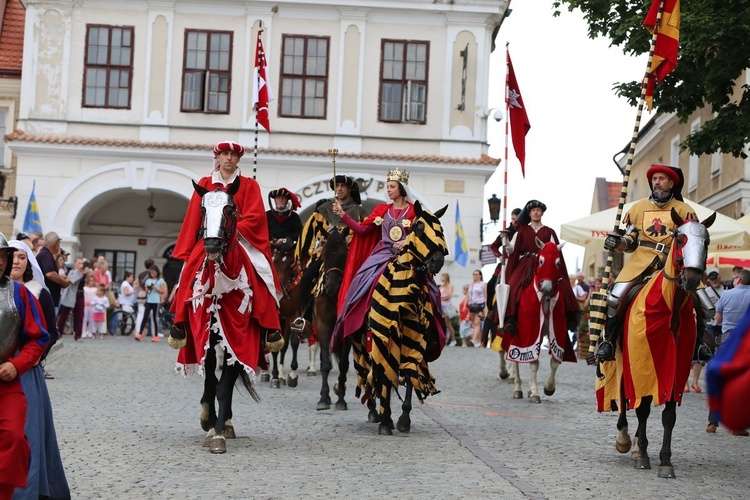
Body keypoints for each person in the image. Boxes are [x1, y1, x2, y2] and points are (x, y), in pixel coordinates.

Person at [169, 140, 283, 372]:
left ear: (239, 159)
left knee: (262, 274)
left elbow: (255, 216)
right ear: (217, 158)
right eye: (224, 154)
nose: (229, 158)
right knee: (188, 273)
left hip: (238, 238)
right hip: (210, 237)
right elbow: (194, 215)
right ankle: (180, 322)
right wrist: (193, 243)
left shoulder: (249, 185)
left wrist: (232, 228)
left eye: (233, 155)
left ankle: (270, 326)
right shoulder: (204, 184)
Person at [597, 165, 712, 361]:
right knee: (615, 297)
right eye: (654, 179)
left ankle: (699, 344)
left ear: (671, 183)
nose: (657, 182)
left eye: (661, 178)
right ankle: (609, 341)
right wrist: (618, 242)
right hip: (641, 262)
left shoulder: (685, 210)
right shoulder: (638, 208)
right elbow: (630, 241)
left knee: (706, 305)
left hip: (675, 264)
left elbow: (693, 239)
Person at [330, 167, 430, 351]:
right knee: (361, 279)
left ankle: (426, 323)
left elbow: (422, 234)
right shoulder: (382, 210)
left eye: (392, 186)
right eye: (387, 186)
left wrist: (407, 240)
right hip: (383, 254)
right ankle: (362, 319)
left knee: (428, 287)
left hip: (406, 254)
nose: (389, 189)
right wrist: (342, 215)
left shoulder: (414, 211)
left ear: (401, 188)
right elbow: (362, 230)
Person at [7, 239, 70, 499]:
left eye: (22, 257)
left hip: (26, 372)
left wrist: (32, 359)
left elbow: (49, 333)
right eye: (12, 257)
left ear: (28, 262)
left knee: (27, 432)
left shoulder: (36, 292)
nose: (16, 262)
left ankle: (29, 489)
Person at [0, 233, 52, 500]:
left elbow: (41, 337)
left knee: (14, 439)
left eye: (2, 257)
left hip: (9, 381)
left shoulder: (19, 293)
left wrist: (17, 364)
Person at [295, 175, 368, 325]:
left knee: (366, 282)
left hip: (348, 256)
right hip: (326, 255)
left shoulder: (359, 212)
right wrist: (315, 249)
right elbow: (311, 233)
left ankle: (365, 320)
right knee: (306, 279)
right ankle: (306, 318)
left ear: (350, 189)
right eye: (337, 186)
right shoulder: (323, 209)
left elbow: (364, 232)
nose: (339, 189)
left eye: (342, 186)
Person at [502, 199, 578, 334]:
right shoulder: (522, 230)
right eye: (533, 211)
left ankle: (567, 317)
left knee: (563, 285)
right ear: (529, 213)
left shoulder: (549, 231)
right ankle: (511, 319)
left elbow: (555, 250)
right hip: (525, 263)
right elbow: (511, 250)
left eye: (538, 210)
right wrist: (505, 239)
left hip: (544, 264)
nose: (536, 213)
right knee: (513, 285)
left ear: (542, 213)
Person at [707, 269, 750, 435]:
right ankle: (740, 426)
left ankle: (713, 422)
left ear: (738, 280)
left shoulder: (726, 295)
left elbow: (718, 319)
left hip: (728, 340)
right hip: (747, 341)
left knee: (722, 378)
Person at [686, 270, 722, 393]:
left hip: (698, 325)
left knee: (698, 354)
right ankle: (685, 383)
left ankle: (695, 382)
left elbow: (708, 312)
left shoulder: (702, 289)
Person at [35, 232, 72, 311]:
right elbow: (50, 274)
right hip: (48, 299)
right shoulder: (45, 255)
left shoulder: (47, 255)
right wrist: (63, 282)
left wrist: (57, 257)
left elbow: (53, 271)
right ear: (56, 243)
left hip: (50, 299)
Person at [57, 257, 86, 342]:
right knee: (64, 314)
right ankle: (59, 332)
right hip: (71, 295)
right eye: (79, 263)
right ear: (75, 263)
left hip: (80, 295)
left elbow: (73, 279)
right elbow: (69, 280)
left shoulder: (82, 273)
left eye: (81, 263)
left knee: (79, 315)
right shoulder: (71, 272)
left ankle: (78, 335)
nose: (80, 265)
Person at [266, 187, 303, 253]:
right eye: (278, 198)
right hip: (270, 249)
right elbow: (262, 232)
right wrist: (274, 241)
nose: (280, 200)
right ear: (274, 200)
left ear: (287, 200)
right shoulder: (267, 215)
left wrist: (288, 239)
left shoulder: (294, 216)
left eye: (283, 198)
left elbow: (300, 232)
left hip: (289, 250)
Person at [136, 265, 166, 342]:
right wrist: (148, 288)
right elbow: (146, 291)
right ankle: (139, 333)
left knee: (155, 318)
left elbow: (163, 291)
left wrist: (156, 288)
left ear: (157, 272)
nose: (152, 274)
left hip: (156, 301)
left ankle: (155, 335)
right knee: (145, 317)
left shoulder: (160, 281)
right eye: (151, 273)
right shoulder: (148, 280)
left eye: (154, 273)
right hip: (149, 300)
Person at [468, 270, 486, 346]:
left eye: (476, 274)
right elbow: (468, 296)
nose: (475, 276)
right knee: (474, 324)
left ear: (480, 275)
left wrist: (486, 306)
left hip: (480, 304)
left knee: (477, 323)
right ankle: (478, 341)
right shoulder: (471, 285)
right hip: (472, 305)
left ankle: (474, 339)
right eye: (474, 274)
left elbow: (486, 295)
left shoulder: (483, 284)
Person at [440, 273, 457, 346]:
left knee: (448, 324)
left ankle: (453, 340)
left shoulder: (449, 285)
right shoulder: (441, 286)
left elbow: (449, 295)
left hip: (446, 305)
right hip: (441, 305)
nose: (441, 278)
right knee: (443, 324)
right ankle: (446, 339)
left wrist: (441, 298)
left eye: (443, 276)